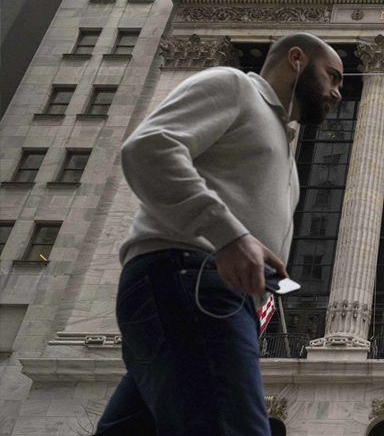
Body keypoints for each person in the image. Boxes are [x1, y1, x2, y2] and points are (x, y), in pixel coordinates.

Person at [95, 33, 343, 435]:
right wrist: (228, 234)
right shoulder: (235, 86)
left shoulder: (285, 147)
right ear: (296, 59)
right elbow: (148, 149)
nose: (337, 92)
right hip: (192, 279)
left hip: (209, 296)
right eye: (332, 76)